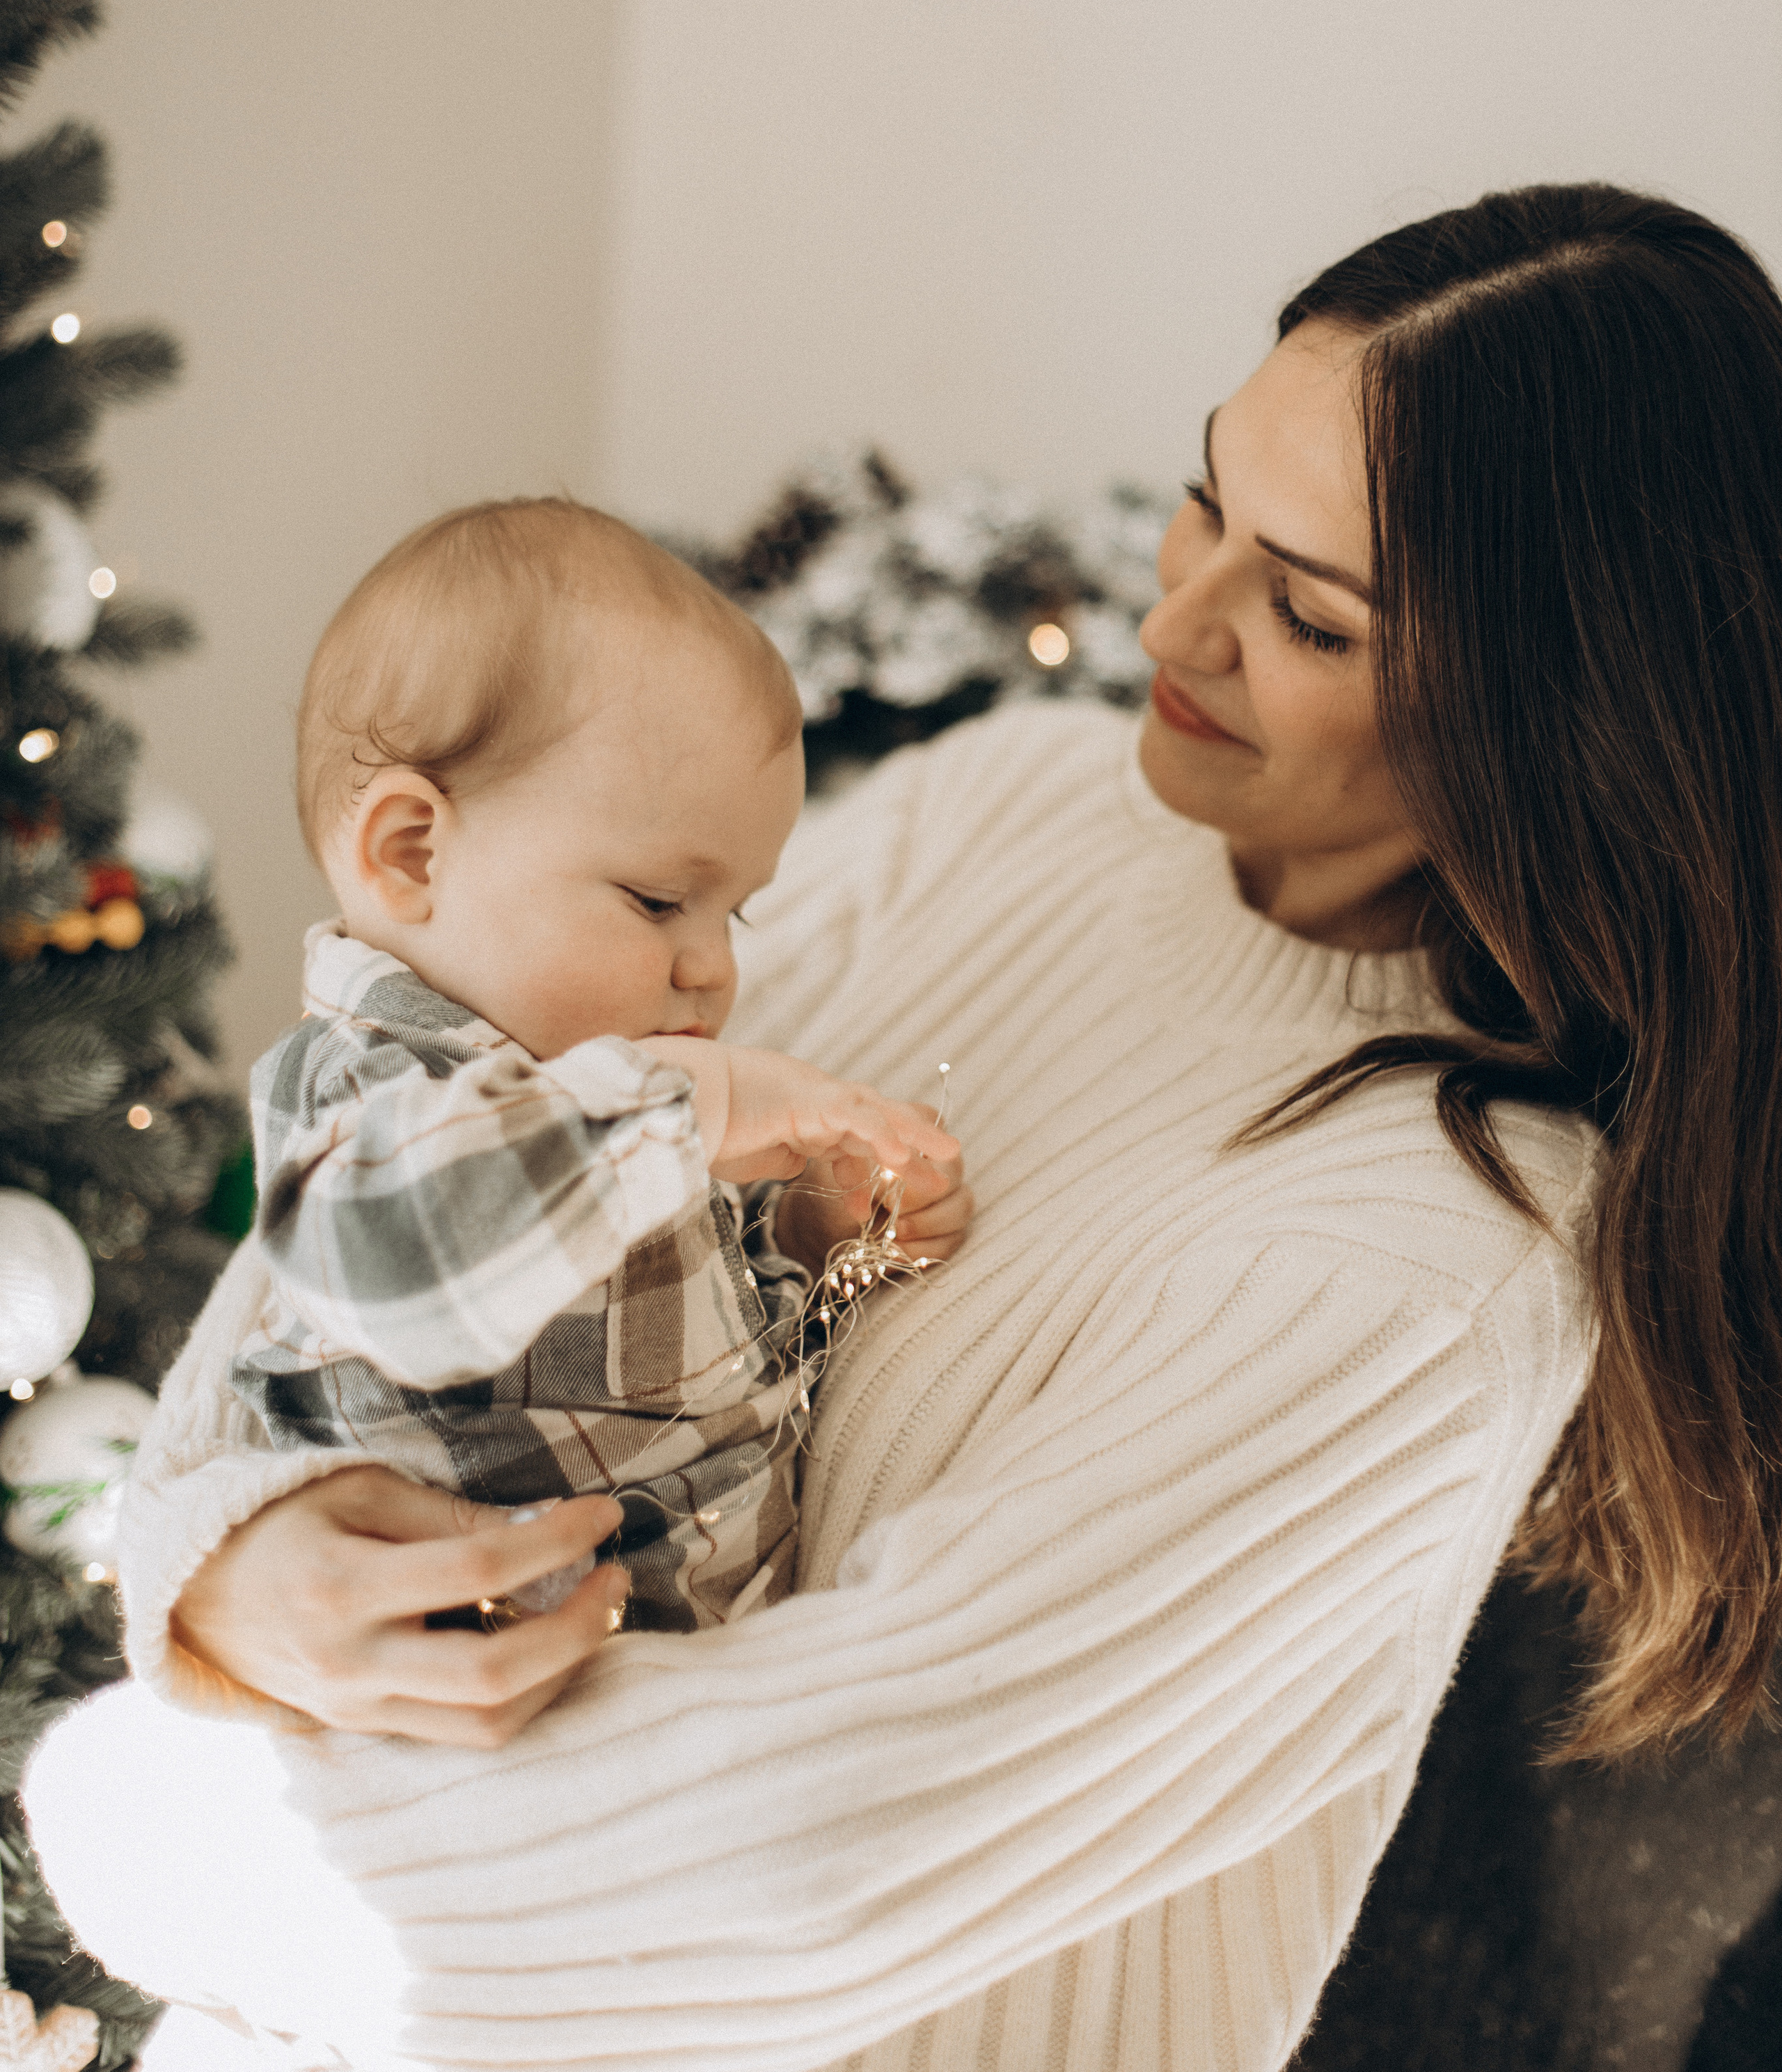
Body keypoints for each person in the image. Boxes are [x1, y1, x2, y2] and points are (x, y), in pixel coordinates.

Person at [28, 184, 1782, 2072]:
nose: (1171, 617)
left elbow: (795, 1871)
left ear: (1543, 713)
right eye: (1208, 499)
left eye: (1302, 612)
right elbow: (374, 1200)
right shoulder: (1010, 801)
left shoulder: (1433, 1258)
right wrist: (231, 1566)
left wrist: (134, 1806)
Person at [228, 500, 968, 1637]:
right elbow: (402, 1262)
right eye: (661, 901)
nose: (711, 968)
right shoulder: (363, 1088)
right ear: (412, 854)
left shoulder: (601, 1091)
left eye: (738, 917)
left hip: (714, 1664)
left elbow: (672, 1352)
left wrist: (811, 1241)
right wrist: (696, 1105)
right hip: (512, 1705)